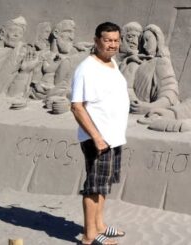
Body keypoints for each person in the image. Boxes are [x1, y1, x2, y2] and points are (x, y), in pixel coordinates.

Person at [70, 22, 129, 245]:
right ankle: (89, 236)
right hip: (98, 139)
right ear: (96, 41)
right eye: (107, 40)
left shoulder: (112, 63)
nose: (112, 45)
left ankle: (100, 226)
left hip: (113, 137)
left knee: (104, 184)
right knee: (94, 187)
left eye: (116, 40)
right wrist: (96, 137)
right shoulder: (86, 69)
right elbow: (77, 107)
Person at [121, 24, 180, 114]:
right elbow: (127, 87)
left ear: (158, 40)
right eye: (143, 42)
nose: (145, 45)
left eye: (148, 40)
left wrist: (149, 107)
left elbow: (170, 92)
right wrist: (134, 102)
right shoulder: (135, 62)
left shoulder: (162, 62)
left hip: (154, 110)